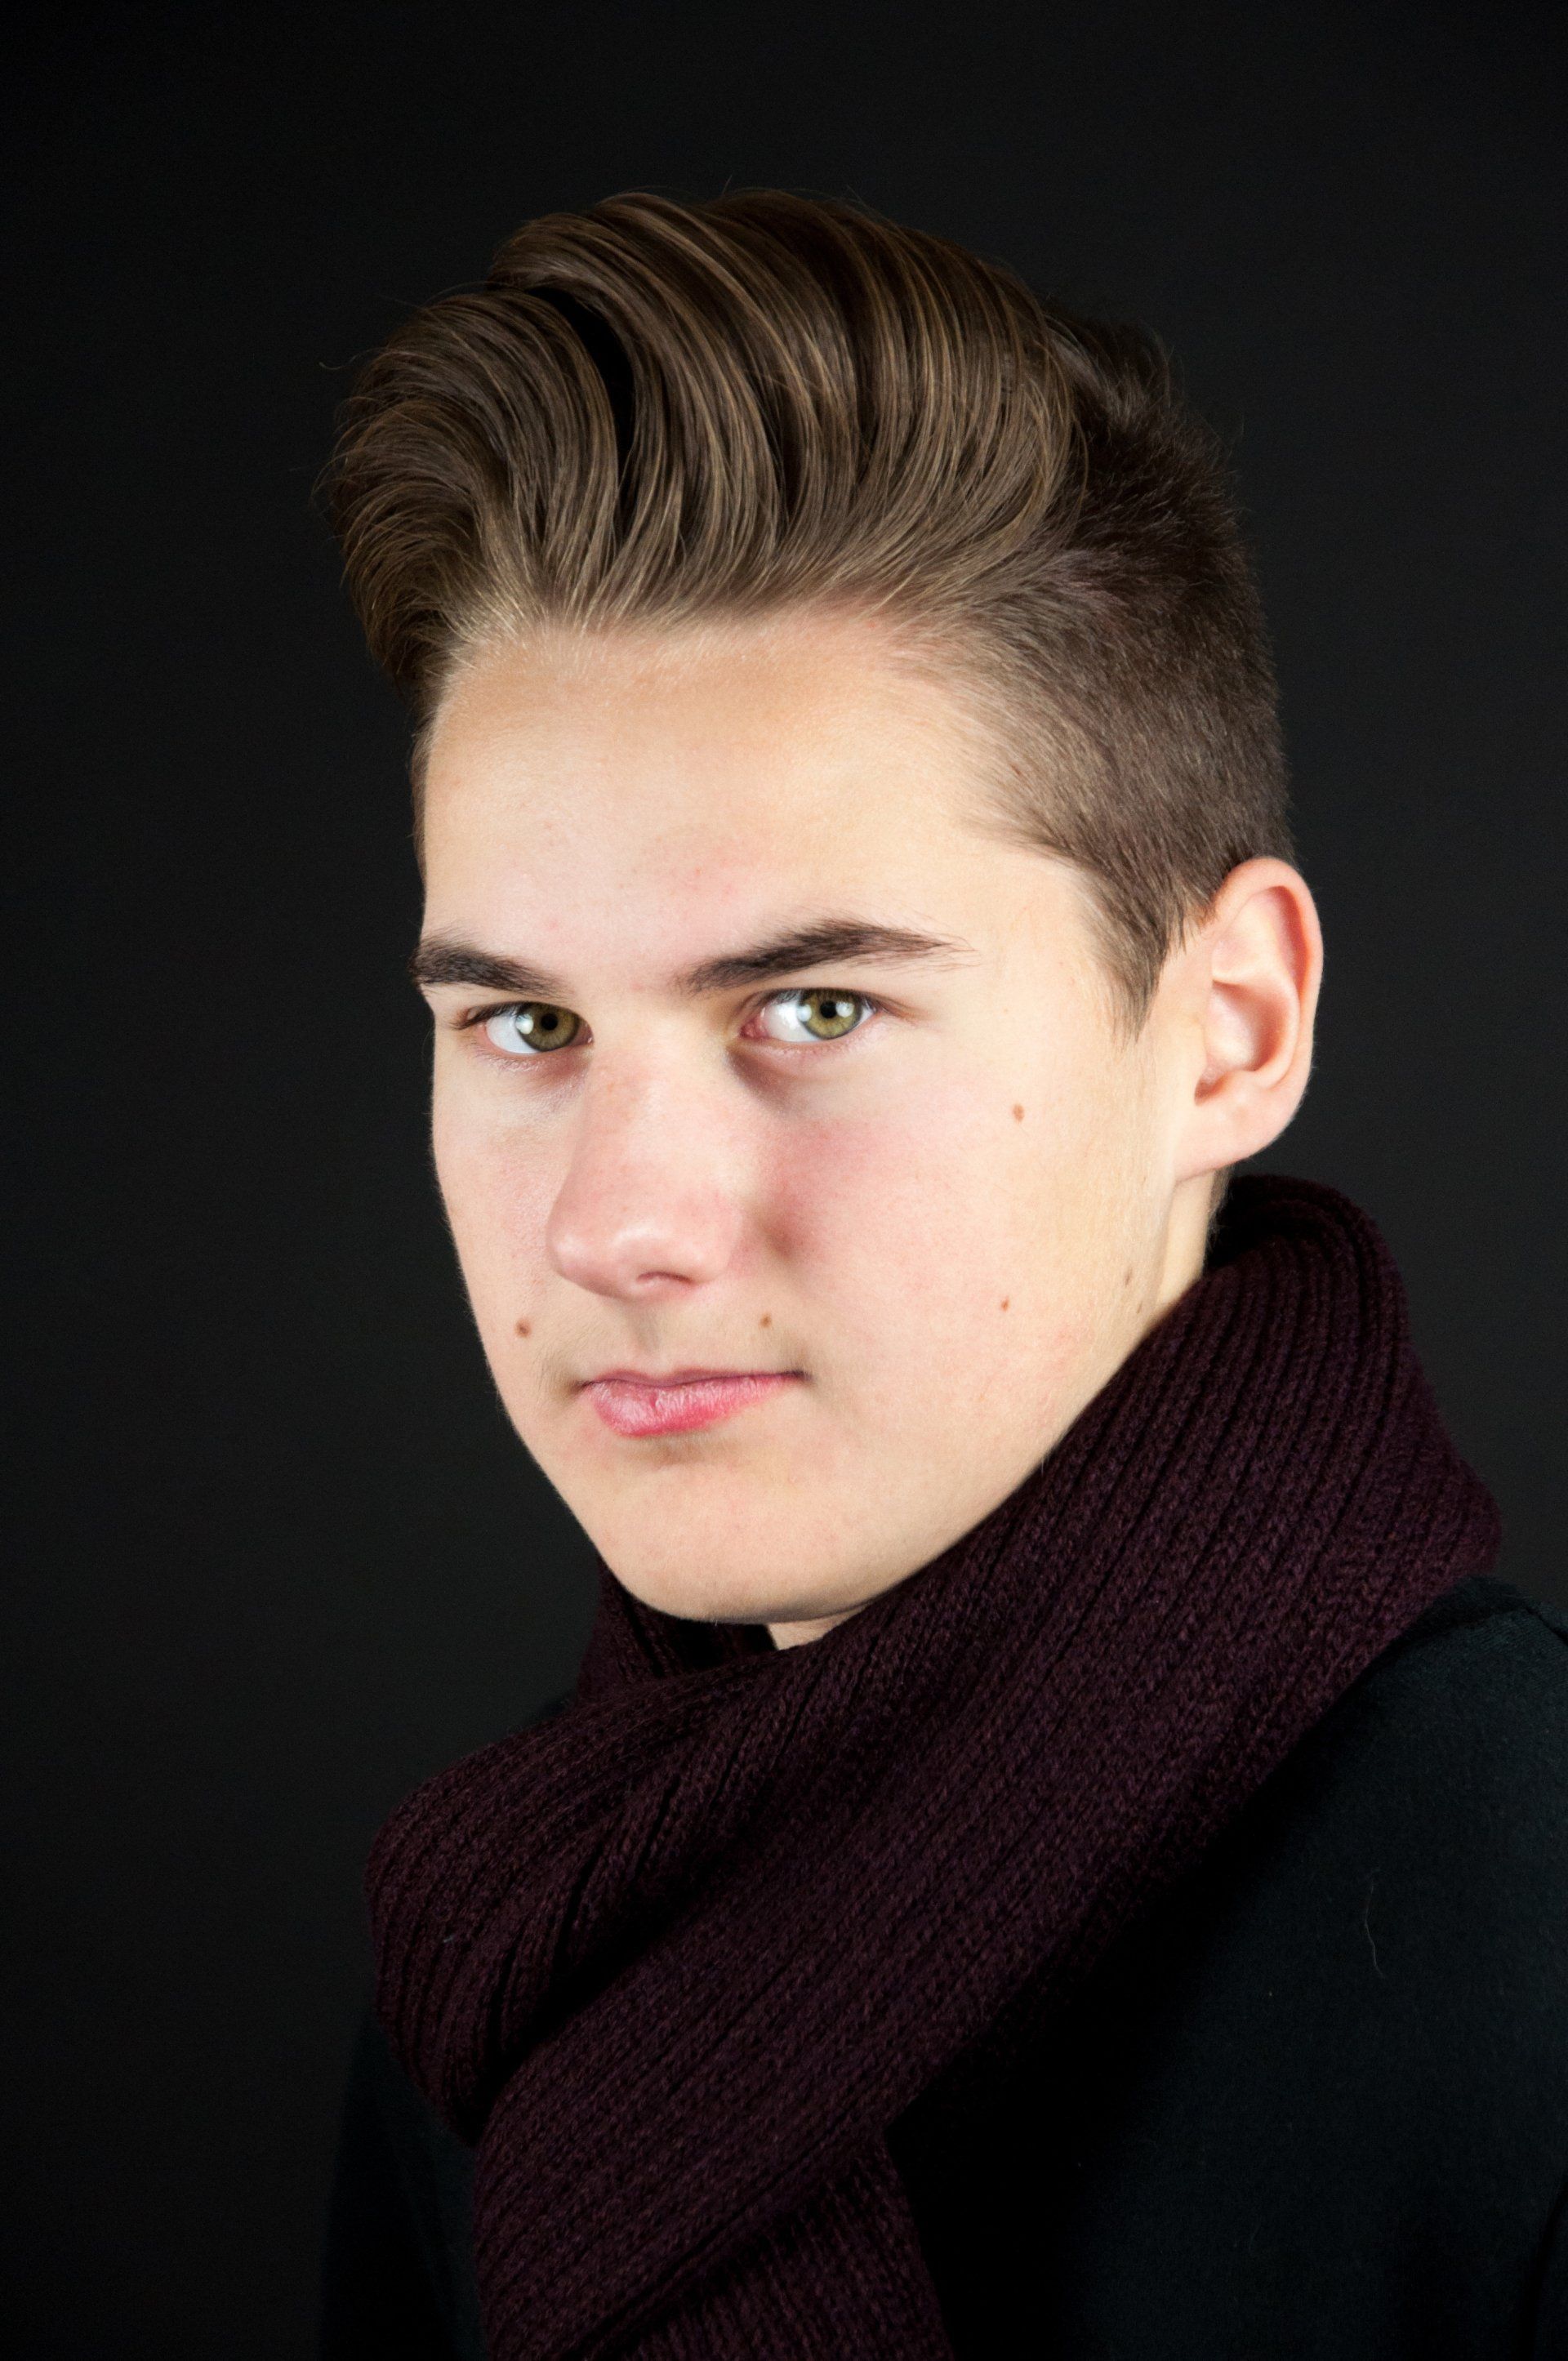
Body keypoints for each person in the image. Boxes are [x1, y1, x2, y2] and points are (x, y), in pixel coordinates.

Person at [317, 190, 1568, 2359]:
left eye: (814, 1008)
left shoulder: (1534, 1930)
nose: (618, 1222)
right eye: (526, 1024)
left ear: (1231, 1027)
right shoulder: (517, 1940)